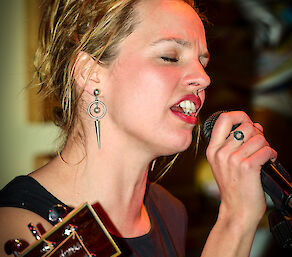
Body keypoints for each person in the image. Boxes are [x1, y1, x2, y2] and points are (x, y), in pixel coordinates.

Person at [0, 0, 277, 256]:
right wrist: (233, 223)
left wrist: (240, 215)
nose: (203, 78)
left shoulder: (170, 212)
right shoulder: (19, 229)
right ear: (89, 72)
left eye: (203, 62)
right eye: (170, 56)